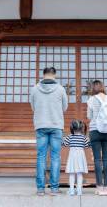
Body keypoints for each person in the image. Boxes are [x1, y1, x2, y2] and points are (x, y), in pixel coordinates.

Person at [29, 66, 68, 196]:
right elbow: (65, 107)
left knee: (41, 156)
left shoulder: (35, 89)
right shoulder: (61, 89)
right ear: (54, 75)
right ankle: (54, 189)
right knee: (55, 157)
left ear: (43, 74)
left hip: (41, 125)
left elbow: (33, 107)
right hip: (56, 125)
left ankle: (40, 189)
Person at [87, 80, 107, 196]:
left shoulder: (91, 100)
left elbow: (89, 116)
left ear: (93, 88)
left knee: (97, 160)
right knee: (106, 159)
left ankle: (99, 187)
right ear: (103, 87)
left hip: (95, 130)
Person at [62, 119, 90, 196]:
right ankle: (79, 190)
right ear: (81, 128)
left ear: (72, 128)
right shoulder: (84, 137)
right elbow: (88, 146)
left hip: (72, 155)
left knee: (72, 173)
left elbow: (64, 144)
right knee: (79, 173)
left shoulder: (70, 136)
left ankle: (71, 190)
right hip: (81, 156)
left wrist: (62, 138)